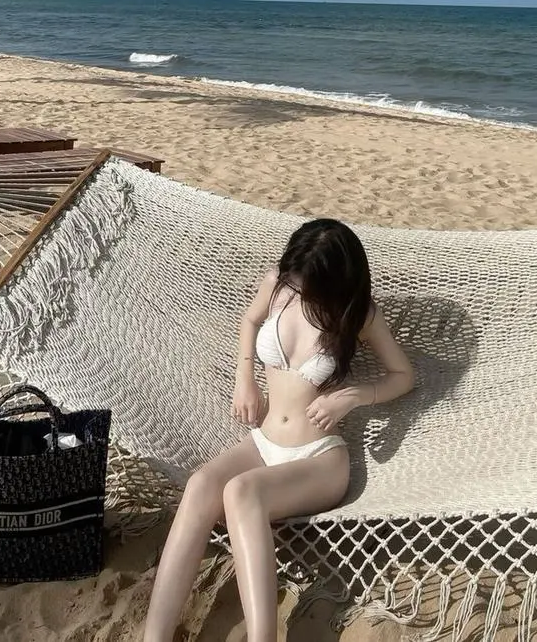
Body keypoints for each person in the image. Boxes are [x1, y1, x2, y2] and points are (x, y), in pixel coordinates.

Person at [143, 218, 416, 642]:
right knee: (200, 484)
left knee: (240, 492)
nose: (298, 290)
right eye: (295, 280)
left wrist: (353, 396)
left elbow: (404, 376)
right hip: (264, 441)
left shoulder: (358, 313)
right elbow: (250, 321)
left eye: (310, 286)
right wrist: (245, 378)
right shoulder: (278, 283)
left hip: (318, 459)